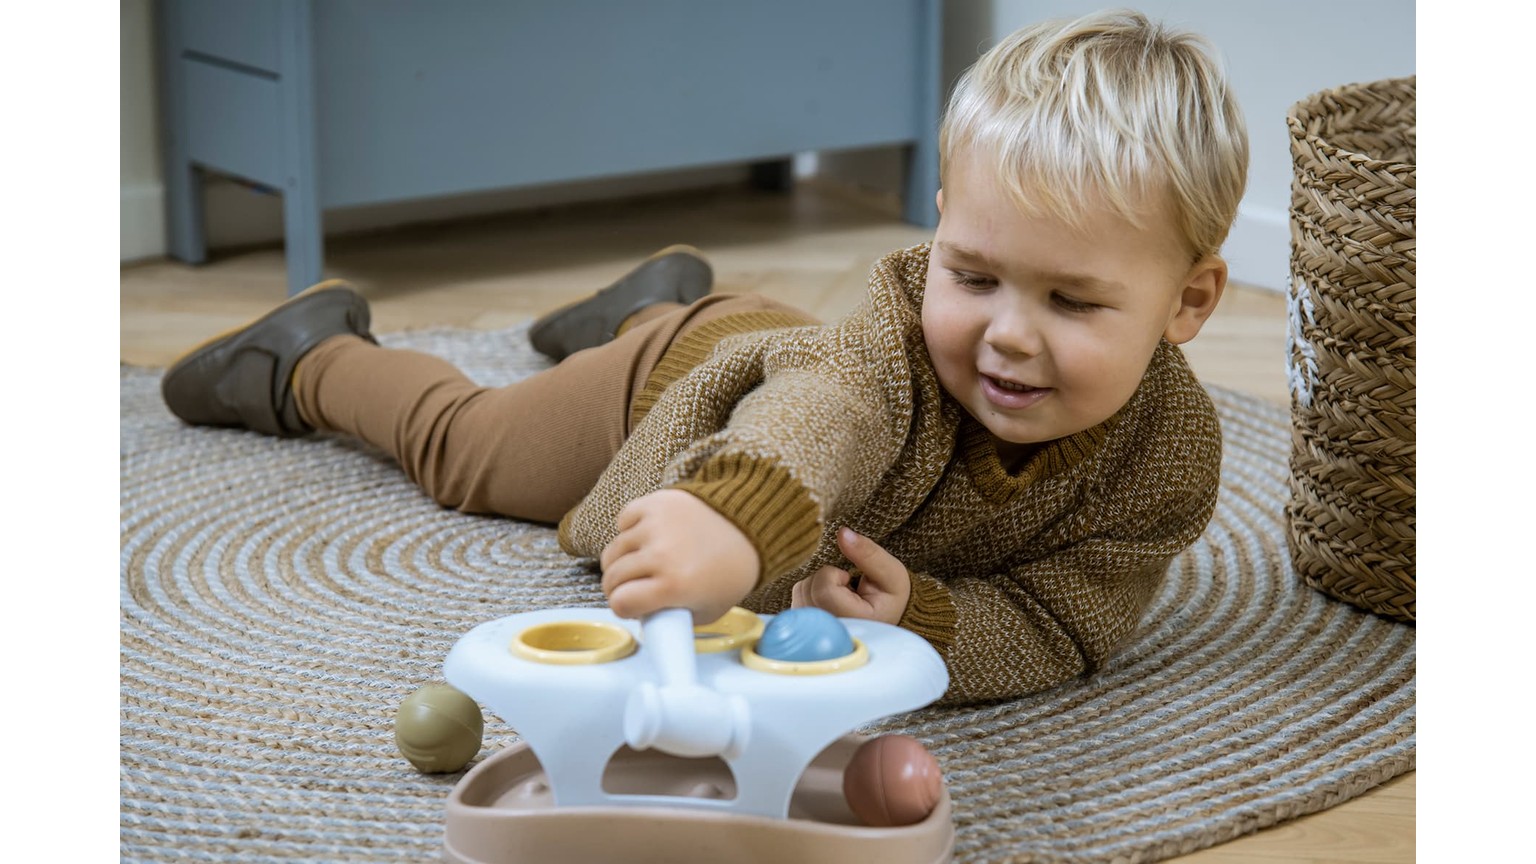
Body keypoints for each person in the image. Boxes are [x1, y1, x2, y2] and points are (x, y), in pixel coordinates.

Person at [161, 9, 1248, 705]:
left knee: (762, 339)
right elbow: (824, 406)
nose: (1009, 331)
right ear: (938, 226)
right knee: (471, 453)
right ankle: (311, 356)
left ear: (1188, 302)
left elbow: (1068, 623)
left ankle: (654, 298)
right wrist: (734, 519)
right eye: (973, 275)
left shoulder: (1169, 458)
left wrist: (922, 618)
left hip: (770, 339)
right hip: (687, 390)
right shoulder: (886, 348)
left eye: (1071, 301)